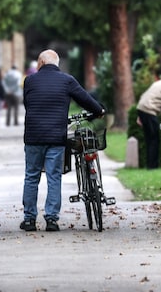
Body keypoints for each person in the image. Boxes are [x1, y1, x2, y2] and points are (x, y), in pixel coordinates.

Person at [20, 49, 105, 232]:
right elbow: (85, 99)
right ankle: (51, 219)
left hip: (34, 137)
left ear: (41, 63)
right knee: (54, 177)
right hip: (56, 137)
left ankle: (29, 220)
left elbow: (27, 104)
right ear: (56, 63)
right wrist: (99, 111)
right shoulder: (67, 80)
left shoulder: (30, 81)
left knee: (31, 176)